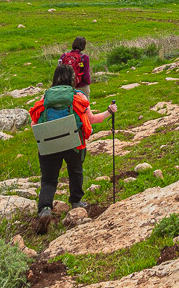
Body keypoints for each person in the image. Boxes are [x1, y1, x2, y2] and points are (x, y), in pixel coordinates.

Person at [30, 64, 116, 218]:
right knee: (75, 171)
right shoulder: (78, 96)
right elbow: (93, 119)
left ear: (55, 78)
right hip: (74, 142)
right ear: (72, 79)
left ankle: (45, 209)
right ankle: (76, 202)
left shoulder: (45, 98)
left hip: (49, 143)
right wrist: (109, 111)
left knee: (49, 179)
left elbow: (34, 124)